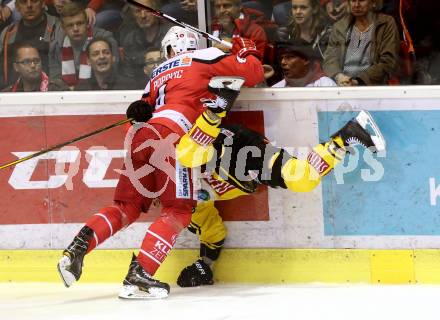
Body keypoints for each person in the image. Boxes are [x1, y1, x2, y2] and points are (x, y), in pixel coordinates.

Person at [57, 26, 264, 299]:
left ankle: (78, 247)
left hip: (141, 137)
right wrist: (244, 47)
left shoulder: (156, 75)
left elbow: (139, 114)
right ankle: (139, 276)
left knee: (126, 206)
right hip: (176, 138)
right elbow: (254, 72)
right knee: (178, 210)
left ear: (168, 49)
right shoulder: (205, 56)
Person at [173, 106, 385, 286]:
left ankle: (215, 110)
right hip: (243, 170)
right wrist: (205, 265)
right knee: (303, 180)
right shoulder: (186, 208)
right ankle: (344, 139)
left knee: (189, 154)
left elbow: (188, 149)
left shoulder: (171, 164)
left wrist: (213, 112)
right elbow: (213, 232)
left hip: (236, 147)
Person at [322, 0, 400, 86]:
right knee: (322, 82)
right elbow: (330, 58)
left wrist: (358, 81)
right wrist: (339, 76)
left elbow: (387, 62)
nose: (356, 5)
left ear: (373, 2)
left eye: (362, 0)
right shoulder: (340, 26)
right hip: (342, 84)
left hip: (370, 86)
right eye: (353, 0)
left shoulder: (386, 23)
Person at [48, 2, 119, 89]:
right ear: (63, 28)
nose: (76, 29)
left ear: (87, 23)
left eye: (80, 23)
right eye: (70, 25)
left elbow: (114, 74)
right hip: (67, 96)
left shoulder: (105, 39)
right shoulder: (56, 46)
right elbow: (55, 80)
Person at [0, 0, 58, 88]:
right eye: (23, 2)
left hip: (50, 93)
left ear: (43, 3)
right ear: (17, 7)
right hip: (12, 95)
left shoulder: (57, 28)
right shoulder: (7, 33)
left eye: (34, 1)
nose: (29, 5)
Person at [117, 0, 170, 88]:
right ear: (133, 15)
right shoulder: (130, 40)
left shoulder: (170, 35)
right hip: (139, 90)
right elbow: (128, 75)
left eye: (147, 10)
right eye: (138, 11)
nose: (143, 15)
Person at [2, 41, 67, 91]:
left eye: (36, 60)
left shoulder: (58, 89)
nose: (33, 65)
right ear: (16, 67)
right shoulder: (8, 94)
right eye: (26, 62)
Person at [272, 41, 336, 87]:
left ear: (305, 60)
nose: (283, 62)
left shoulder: (326, 85)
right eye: (282, 58)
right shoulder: (277, 89)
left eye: (289, 57)